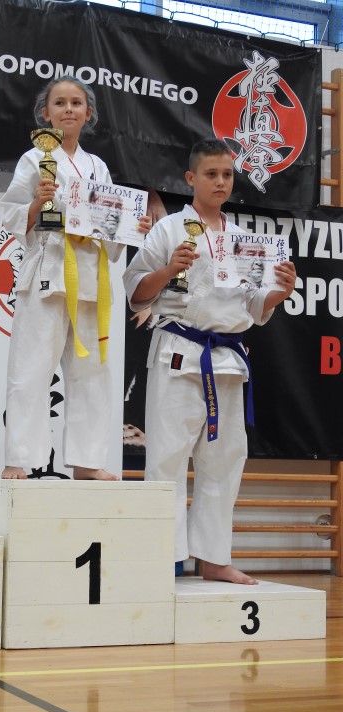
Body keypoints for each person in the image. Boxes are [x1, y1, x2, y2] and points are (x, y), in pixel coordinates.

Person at [123, 138, 296, 584]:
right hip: (179, 353)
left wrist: (280, 291)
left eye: (227, 175)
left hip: (228, 360)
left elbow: (254, 304)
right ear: (190, 178)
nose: (221, 182)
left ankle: (214, 558)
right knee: (166, 458)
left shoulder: (243, 241)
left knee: (225, 460)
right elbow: (136, 291)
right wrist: (168, 269)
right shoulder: (168, 230)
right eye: (211, 174)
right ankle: (162, 557)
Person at [0, 75, 151, 480]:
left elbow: (112, 221)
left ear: (88, 113)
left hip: (89, 275)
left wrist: (132, 226)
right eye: (60, 103)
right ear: (45, 113)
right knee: (30, 369)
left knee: (92, 374)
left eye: (76, 103)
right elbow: (10, 215)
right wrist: (37, 203)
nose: (68, 109)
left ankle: (87, 462)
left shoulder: (97, 166)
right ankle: (18, 457)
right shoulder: (33, 159)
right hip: (47, 269)